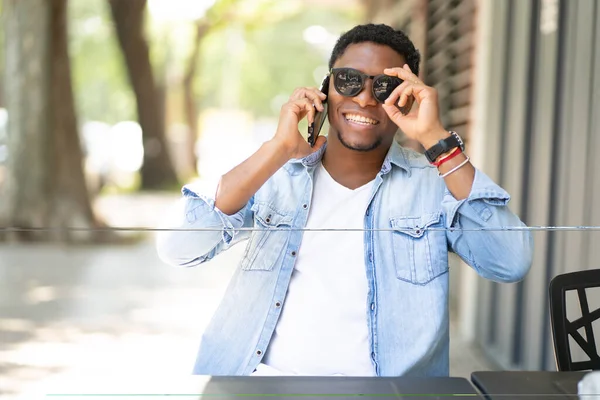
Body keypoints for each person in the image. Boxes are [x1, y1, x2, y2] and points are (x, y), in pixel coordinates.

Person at [156, 23, 533, 377]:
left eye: (385, 86)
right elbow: (178, 247)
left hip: (390, 394)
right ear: (326, 89)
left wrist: (438, 141)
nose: (366, 99)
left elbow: (509, 261)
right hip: (262, 384)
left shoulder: (434, 184)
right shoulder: (276, 175)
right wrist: (279, 148)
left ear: (407, 97)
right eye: (349, 81)